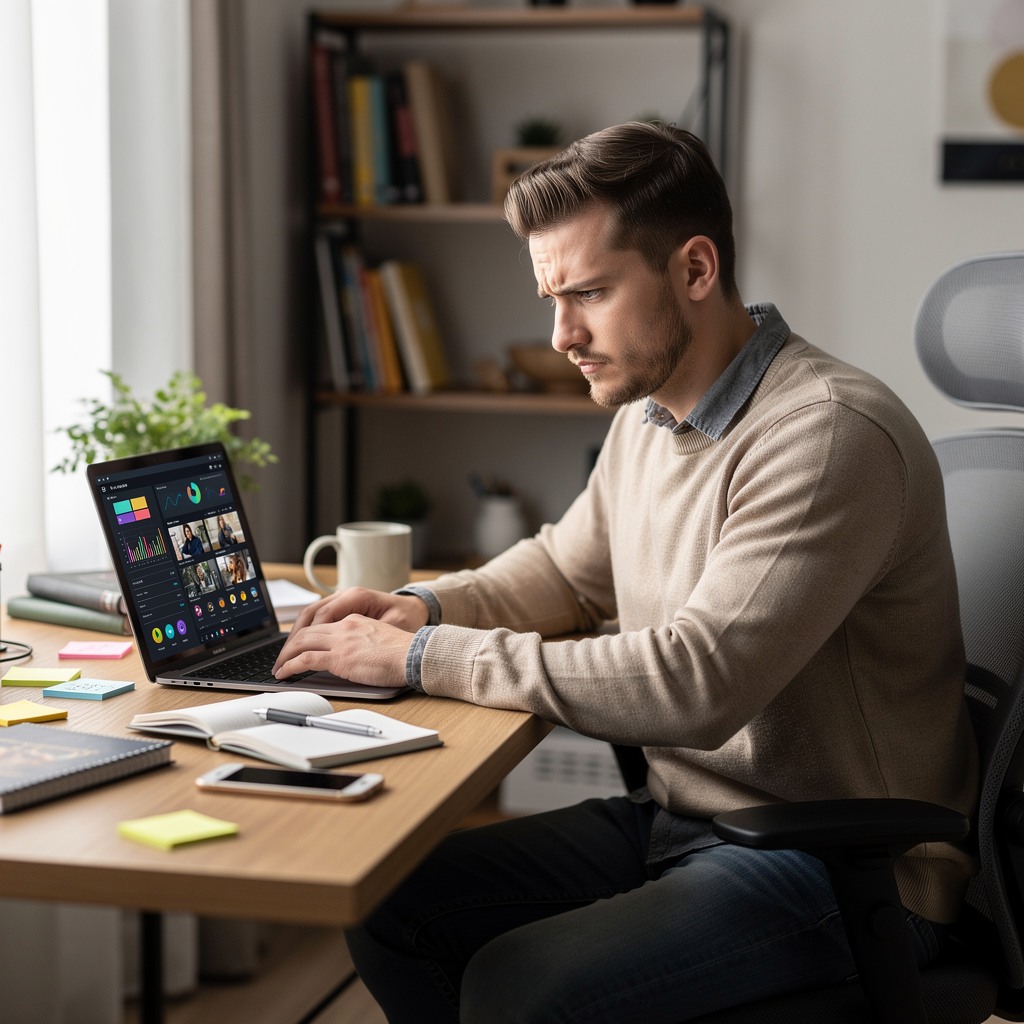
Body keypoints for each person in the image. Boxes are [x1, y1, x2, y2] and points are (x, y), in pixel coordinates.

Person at [273, 122, 979, 1022]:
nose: (562, 333)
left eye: (591, 294)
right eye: (552, 297)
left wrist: (423, 658)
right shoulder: (648, 415)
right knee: (390, 903)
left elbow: (699, 682)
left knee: (520, 986)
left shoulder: (827, 434)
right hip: (689, 817)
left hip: (840, 864)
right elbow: (566, 574)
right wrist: (420, 607)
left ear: (694, 269)